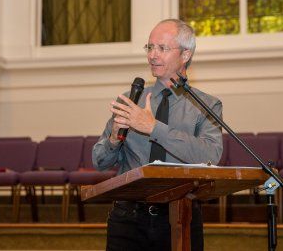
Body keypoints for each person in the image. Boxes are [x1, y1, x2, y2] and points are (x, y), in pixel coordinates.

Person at [92, 19, 223, 251]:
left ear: (185, 55)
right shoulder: (131, 100)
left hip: (180, 218)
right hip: (127, 219)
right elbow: (100, 162)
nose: (152, 55)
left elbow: (211, 156)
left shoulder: (206, 105)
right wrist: (113, 139)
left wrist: (154, 128)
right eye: (150, 47)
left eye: (162, 48)